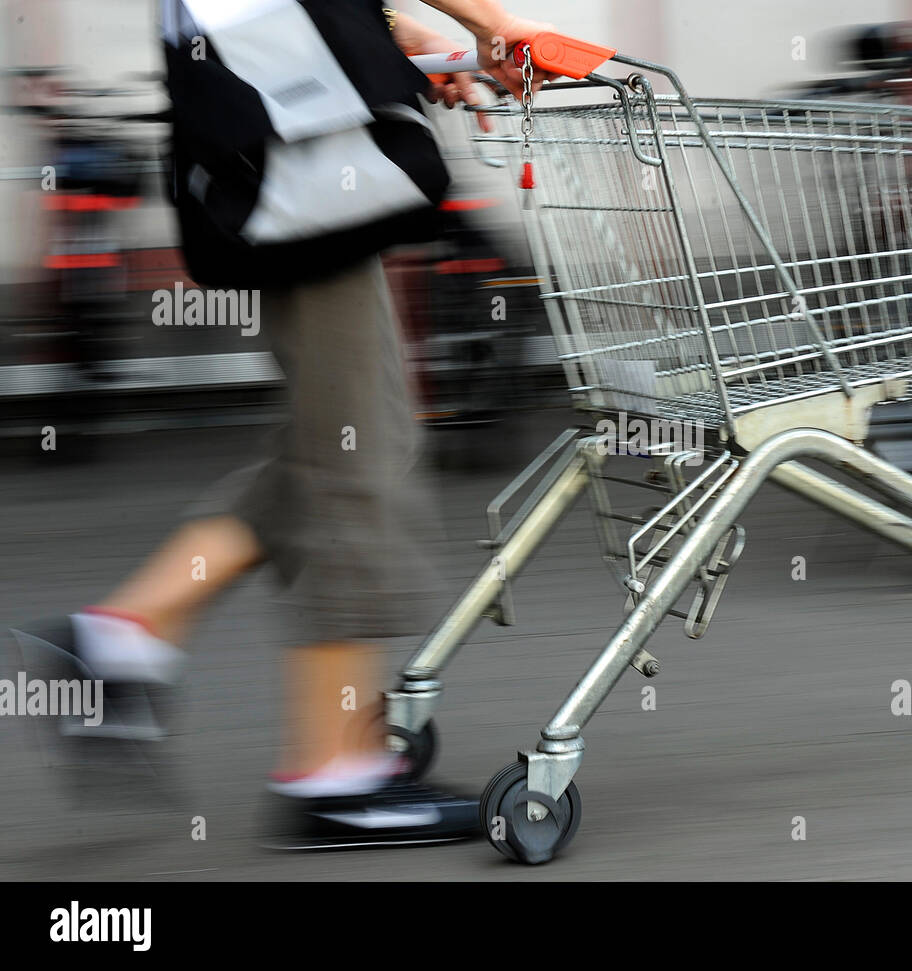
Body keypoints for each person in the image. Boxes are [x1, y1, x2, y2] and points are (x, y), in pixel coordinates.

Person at [9, 0, 555, 849]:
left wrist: (385, 29)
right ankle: (333, 771)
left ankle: (121, 636)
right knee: (357, 456)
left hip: (283, 135)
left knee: (336, 440)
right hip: (298, 153)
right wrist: (491, 24)